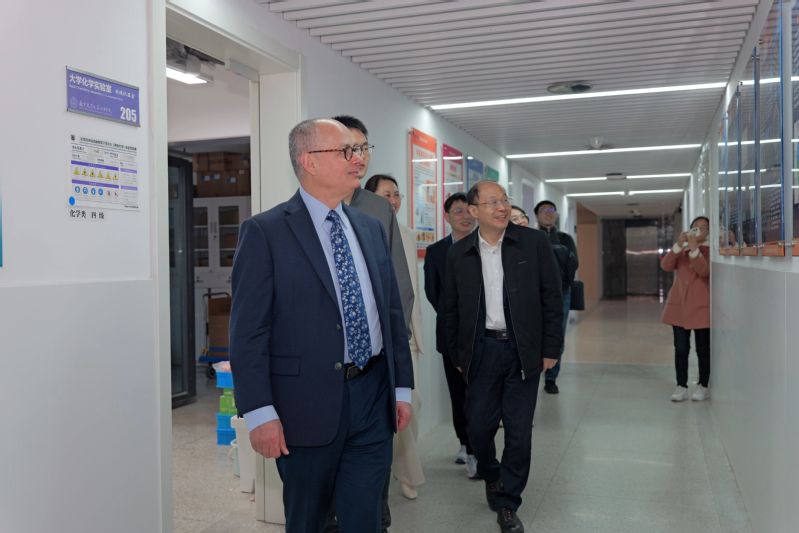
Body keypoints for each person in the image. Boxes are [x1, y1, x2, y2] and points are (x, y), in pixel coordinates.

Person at [229, 118, 414, 533]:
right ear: (309, 161)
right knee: (309, 520)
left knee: (366, 519)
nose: (359, 159)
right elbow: (248, 332)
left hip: (372, 395)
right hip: (303, 405)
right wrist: (258, 412)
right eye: (346, 151)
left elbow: (390, 313)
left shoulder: (369, 227)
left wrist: (401, 387)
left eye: (361, 150)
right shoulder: (265, 232)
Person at [444, 181, 563, 533]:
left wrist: (551, 349)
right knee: (478, 428)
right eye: (492, 202)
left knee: (518, 432)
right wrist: (457, 354)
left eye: (504, 200)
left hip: (522, 350)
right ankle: (492, 473)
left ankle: (509, 502)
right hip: (481, 351)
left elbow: (552, 297)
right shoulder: (460, 253)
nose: (501, 207)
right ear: (474, 210)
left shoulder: (533, 243)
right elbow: (450, 309)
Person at [365, 174, 425, 500]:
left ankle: (406, 473)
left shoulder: (408, 234)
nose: (394, 200)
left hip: (406, 336)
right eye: (386, 194)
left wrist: (414, 334)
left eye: (397, 194)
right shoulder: (362, 229)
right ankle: (387, 474)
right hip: (375, 337)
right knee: (381, 411)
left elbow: (408, 289)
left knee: (410, 405)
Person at [333, 115, 414, 329]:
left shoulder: (380, 208)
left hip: (376, 332)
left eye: (364, 148)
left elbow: (399, 279)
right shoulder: (314, 208)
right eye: (351, 149)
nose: (361, 157)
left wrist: (398, 336)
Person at [423, 192, 479, 477]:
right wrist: (454, 318)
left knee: (480, 393)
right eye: (458, 211)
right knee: (458, 393)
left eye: (469, 210)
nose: (465, 216)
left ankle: (479, 447)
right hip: (451, 335)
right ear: (446, 217)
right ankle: (465, 444)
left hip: (484, 334)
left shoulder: (487, 245)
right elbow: (433, 291)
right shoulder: (436, 252)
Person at [661, 216, 711, 402]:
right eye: (695, 227)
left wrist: (694, 249)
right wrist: (678, 245)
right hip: (679, 307)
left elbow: (704, 271)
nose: (698, 230)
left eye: (703, 228)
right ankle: (681, 385)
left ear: (708, 232)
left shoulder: (709, 251)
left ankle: (703, 385)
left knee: (703, 349)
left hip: (701, 308)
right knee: (681, 348)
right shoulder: (681, 251)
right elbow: (665, 265)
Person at [534, 200, 578, 394]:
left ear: (556, 214)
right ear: (537, 216)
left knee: (556, 334)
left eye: (551, 210)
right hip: (535, 294)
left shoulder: (565, 239)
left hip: (561, 293)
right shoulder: (531, 237)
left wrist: (561, 284)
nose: (548, 213)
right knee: (534, 333)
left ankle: (551, 378)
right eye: (543, 210)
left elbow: (573, 264)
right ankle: (534, 371)